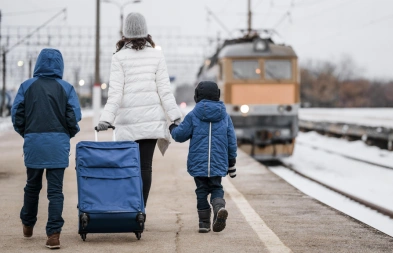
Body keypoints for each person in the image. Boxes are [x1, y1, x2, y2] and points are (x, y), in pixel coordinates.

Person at [97, 12, 182, 208]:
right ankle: (140, 210)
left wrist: (106, 119)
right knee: (145, 167)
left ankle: (128, 208)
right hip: (151, 124)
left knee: (128, 168)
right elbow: (165, 91)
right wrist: (175, 117)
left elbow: (115, 94)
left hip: (128, 125)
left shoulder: (118, 58)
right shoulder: (157, 55)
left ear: (125, 33)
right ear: (145, 31)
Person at [11, 48, 81, 249]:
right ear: (60, 64)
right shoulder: (66, 88)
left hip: (34, 143)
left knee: (32, 186)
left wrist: (27, 133)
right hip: (58, 144)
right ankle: (53, 235)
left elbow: (17, 116)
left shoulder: (26, 86)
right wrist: (69, 133)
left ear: (38, 63)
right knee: (55, 192)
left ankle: (27, 223)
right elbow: (73, 117)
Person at [170, 81, 237, 233]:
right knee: (216, 187)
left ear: (197, 96)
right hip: (218, 162)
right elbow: (231, 141)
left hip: (198, 162)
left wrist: (172, 127)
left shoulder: (193, 115)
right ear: (217, 95)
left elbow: (180, 136)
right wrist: (231, 162)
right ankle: (219, 207)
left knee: (201, 191)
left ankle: (204, 224)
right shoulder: (225, 116)